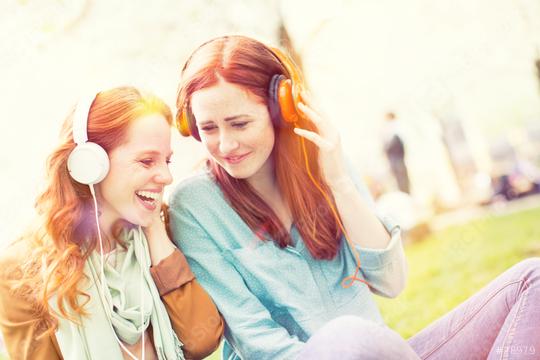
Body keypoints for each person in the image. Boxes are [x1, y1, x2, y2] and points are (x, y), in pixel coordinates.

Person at [169, 35, 540, 360]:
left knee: (532, 279)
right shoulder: (194, 205)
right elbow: (258, 342)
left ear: (280, 109)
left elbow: (391, 282)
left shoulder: (327, 164)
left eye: (239, 123)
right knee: (346, 335)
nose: (225, 144)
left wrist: (338, 181)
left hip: (376, 352)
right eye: (208, 129)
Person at [0, 86, 223, 359]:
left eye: (167, 161)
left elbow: (203, 339)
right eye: (146, 161)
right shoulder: (23, 269)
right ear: (90, 165)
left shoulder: (162, 233)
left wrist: (153, 230)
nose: (166, 176)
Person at [382, 112, 410, 194]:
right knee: (401, 181)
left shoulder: (394, 129)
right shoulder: (393, 130)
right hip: (397, 160)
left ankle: (405, 195)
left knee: (401, 181)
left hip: (397, 160)